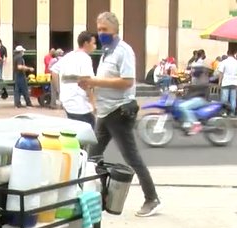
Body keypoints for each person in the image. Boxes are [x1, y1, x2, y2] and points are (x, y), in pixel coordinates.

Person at [79, 12, 160, 217]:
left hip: (119, 111)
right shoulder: (107, 51)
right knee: (92, 157)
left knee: (131, 157)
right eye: (98, 29)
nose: (100, 33)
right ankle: (92, 195)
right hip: (106, 112)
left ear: (115, 29)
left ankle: (152, 198)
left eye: (104, 29)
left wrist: (94, 82)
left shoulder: (124, 51)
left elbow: (127, 81)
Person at [50, 31, 97, 126]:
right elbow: (86, 82)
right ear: (86, 43)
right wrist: (93, 103)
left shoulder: (68, 56)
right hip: (80, 104)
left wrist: (59, 91)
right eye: (93, 43)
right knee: (90, 132)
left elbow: (54, 71)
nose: (95, 46)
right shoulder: (85, 59)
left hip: (67, 102)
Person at [216, 51, 237, 116]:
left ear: (227, 54)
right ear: (233, 54)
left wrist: (219, 82)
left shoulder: (224, 62)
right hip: (234, 82)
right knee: (233, 99)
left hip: (225, 82)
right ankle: (232, 113)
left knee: (225, 98)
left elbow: (221, 73)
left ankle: (224, 112)